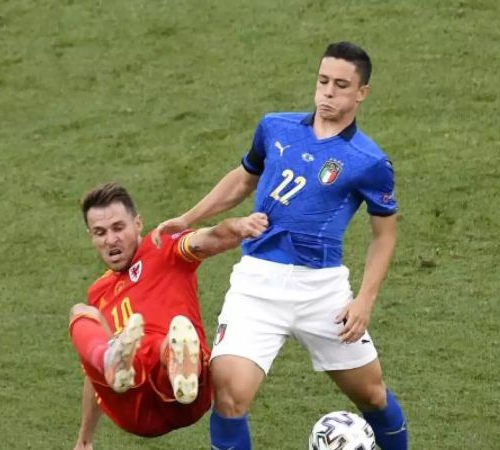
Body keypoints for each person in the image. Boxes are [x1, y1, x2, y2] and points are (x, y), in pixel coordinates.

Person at [154, 42, 408, 450]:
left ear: (362, 93)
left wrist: (364, 301)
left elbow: (385, 234)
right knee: (229, 396)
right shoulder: (275, 127)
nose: (327, 92)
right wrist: (188, 218)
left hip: (323, 291)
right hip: (257, 284)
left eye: (341, 85)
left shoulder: (370, 162)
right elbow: (242, 179)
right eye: (323, 81)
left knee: (373, 396)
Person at [68, 182, 268, 449]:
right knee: (83, 314)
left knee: (160, 340)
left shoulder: (162, 246)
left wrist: (239, 227)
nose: (111, 240)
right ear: (91, 236)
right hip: (132, 405)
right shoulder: (99, 293)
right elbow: (92, 374)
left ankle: (176, 363)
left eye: (118, 228)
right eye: (100, 232)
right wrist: (84, 438)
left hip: (184, 394)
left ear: (138, 223)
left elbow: (209, 239)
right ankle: (120, 358)